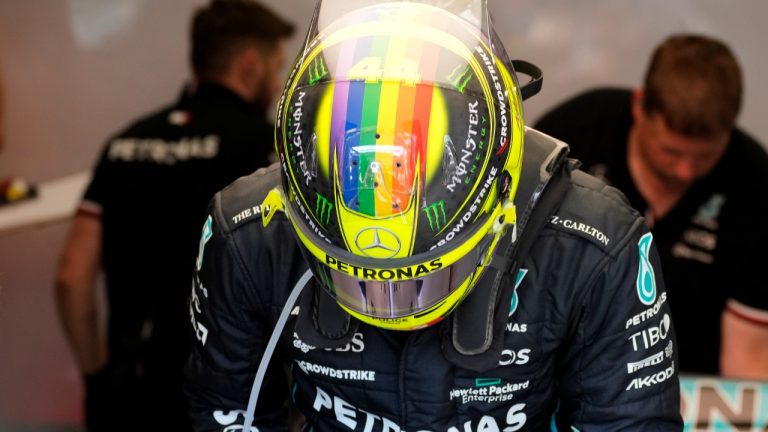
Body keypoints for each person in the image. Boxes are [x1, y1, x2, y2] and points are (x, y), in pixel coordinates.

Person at [185, 0, 683, 429]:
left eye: (417, 277)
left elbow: (629, 422)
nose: (390, 301)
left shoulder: (594, 245)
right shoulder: (248, 232)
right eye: (365, 281)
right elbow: (227, 411)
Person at [55, 1, 294, 430]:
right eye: (277, 69)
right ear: (250, 67)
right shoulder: (265, 155)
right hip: (223, 396)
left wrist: (98, 380)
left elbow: (72, 278)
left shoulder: (124, 144)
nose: (278, 84)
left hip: (131, 393)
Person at [534, 34, 768, 379]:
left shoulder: (756, 186)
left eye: (705, 156)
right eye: (671, 152)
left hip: (689, 391)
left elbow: (747, 360)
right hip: (558, 372)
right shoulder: (570, 138)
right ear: (640, 106)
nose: (686, 170)